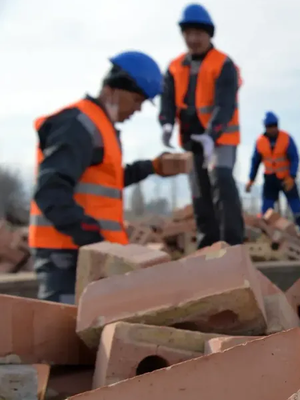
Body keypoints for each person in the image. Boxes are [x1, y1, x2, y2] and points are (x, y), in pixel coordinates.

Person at [30, 51, 181, 304]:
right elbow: (50, 191)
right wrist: (92, 236)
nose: (138, 109)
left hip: (90, 255)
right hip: (68, 257)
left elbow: (107, 182)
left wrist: (152, 167)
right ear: (114, 89)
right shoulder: (79, 124)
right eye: (136, 100)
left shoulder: (100, 126)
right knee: (62, 337)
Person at [159, 3, 245, 248]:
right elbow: (167, 98)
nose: (193, 39)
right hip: (191, 140)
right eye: (188, 33)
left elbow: (225, 104)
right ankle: (208, 246)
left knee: (222, 180)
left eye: (198, 33)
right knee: (199, 192)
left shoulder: (223, 64)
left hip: (221, 139)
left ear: (209, 34)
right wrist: (166, 123)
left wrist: (212, 134)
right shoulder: (175, 67)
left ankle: (232, 244)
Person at [245, 111, 300, 233]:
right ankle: (265, 231)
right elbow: (255, 162)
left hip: (286, 178)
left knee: (295, 204)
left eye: (274, 125)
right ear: (265, 127)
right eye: (270, 126)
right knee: (267, 208)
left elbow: (295, 158)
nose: (273, 128)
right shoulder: (260, 142)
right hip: (270, 179)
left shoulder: (286, 138)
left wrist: (292, 176)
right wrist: (251, 179)